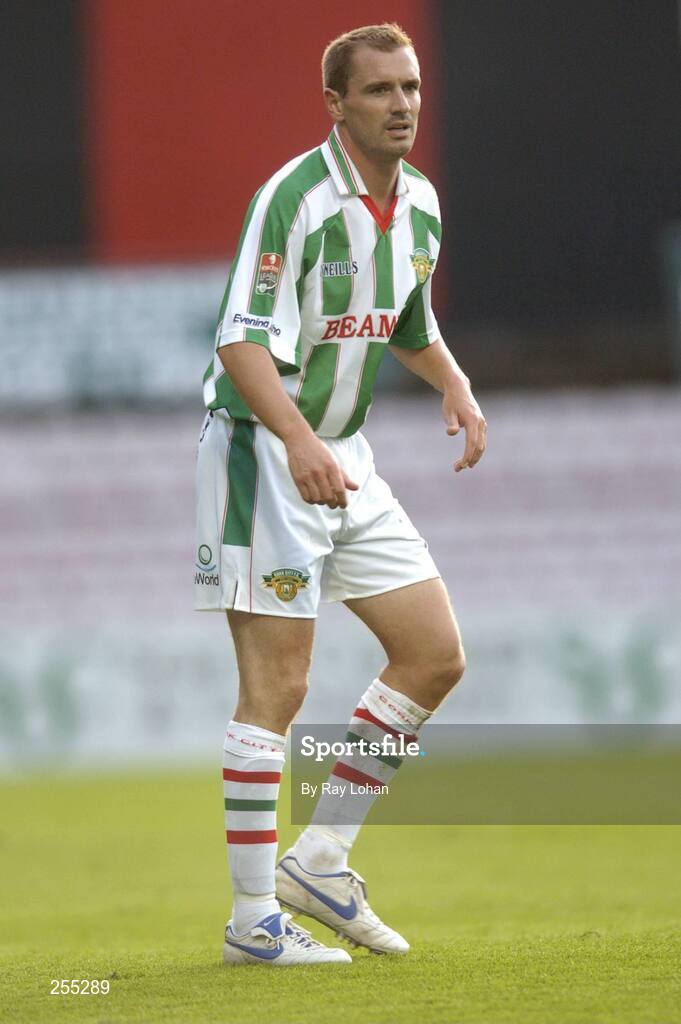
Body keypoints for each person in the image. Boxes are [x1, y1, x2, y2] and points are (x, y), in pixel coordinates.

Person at [195, 22, 487, 966]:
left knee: (433, 655)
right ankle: (252, 924)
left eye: (410, 88)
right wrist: (295, 440)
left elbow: (403, 320)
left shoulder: (421, 204)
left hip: (344, 455)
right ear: (336, 103)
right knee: (276, 688)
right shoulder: (294, 200)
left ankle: (319, 856)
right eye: (379, 91)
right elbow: (241, 344)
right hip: (263, 454)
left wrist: (450, 378)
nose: (401, 104)